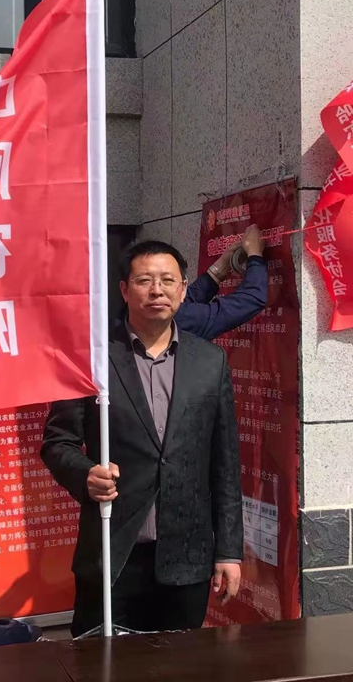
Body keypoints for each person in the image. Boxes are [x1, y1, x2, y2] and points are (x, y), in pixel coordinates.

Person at [41, 240, 243, 637]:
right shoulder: (92, 359)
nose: (157, 291)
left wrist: (229, 551)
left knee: (181, 663)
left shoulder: (210, 361)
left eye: (167, 281)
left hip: (187, 557)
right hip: (114, 551)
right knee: (102, 661)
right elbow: (57, 441)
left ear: (183, 290)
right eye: (145, 280)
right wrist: (85, 475)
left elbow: (225, 463)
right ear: (124, 289)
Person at [177, 224, 267, 340]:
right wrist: (255, 255)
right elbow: (249, 301)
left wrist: (219, 268)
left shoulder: (161, 313)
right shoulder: (169, 320)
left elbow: (184, 301)